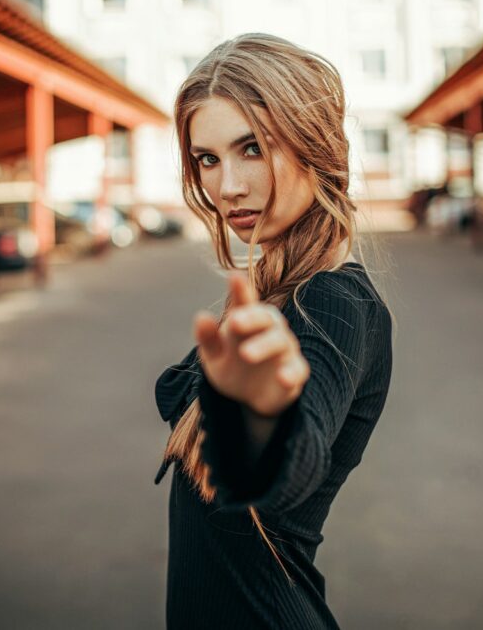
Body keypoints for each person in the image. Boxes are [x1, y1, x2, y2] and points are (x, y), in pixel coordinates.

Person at [154, 33, 394, 629]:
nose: (226, 185)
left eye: (253, 149)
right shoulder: (277, 287)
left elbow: (294, 463)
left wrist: (264, 421)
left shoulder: (333, 300)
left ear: (315, 146)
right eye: (207, 158)